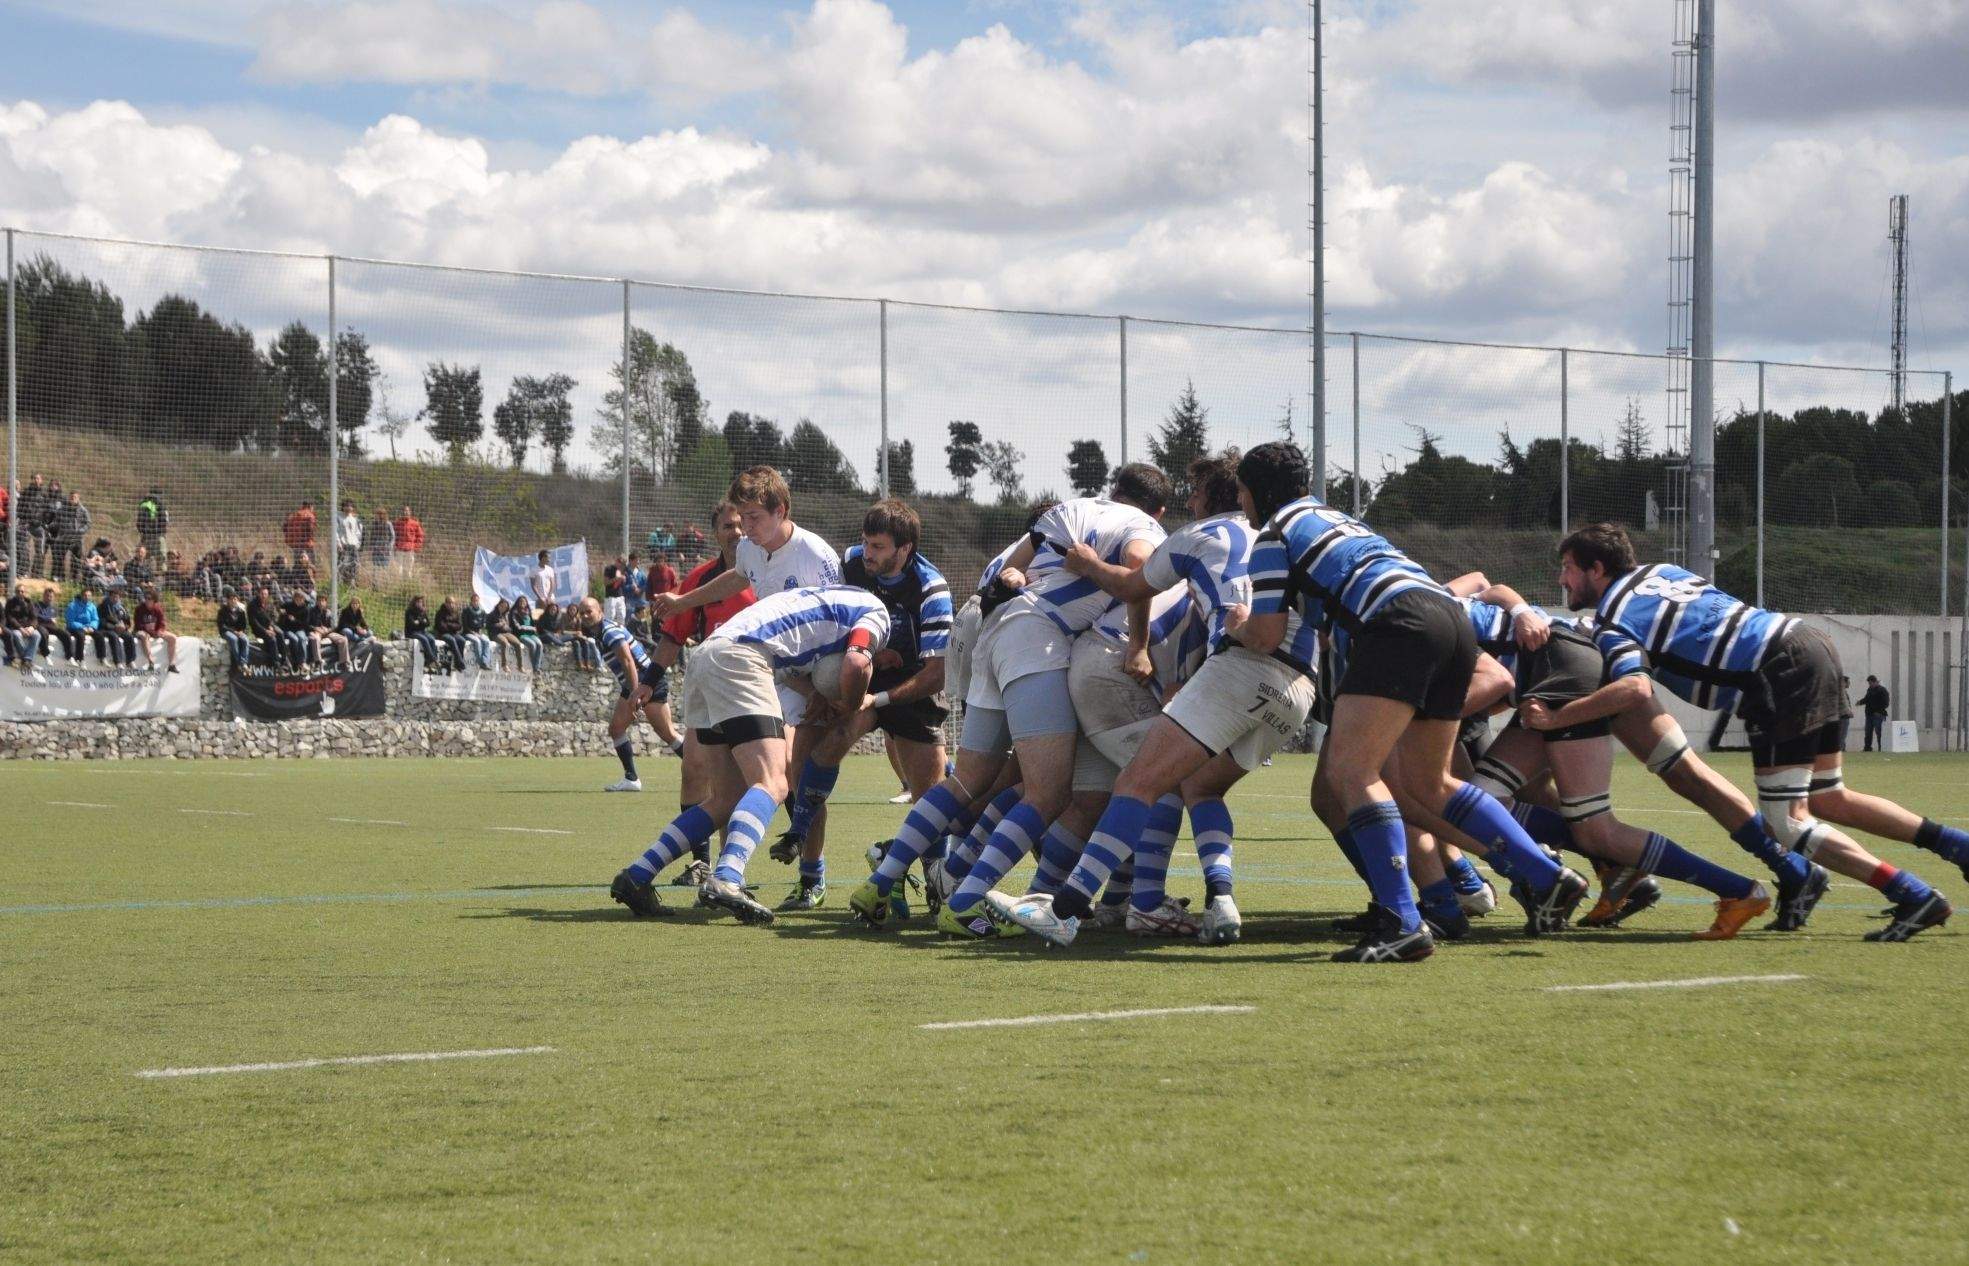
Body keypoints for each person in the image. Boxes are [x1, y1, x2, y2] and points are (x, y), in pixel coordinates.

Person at [1563, 523, 1956, 941]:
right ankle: (1959, 847)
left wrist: (1557, 714)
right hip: (1805, 640)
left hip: (1774, 672)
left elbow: (1635, 686)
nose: (1561, 578)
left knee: (1785, 823)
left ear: (1597, 568)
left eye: (1568, 567)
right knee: (1829, 798)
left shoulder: (1612, 616)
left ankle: (1911, 892)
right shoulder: (1664, 571)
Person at [987, 452, 1289, 948]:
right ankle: (1139, 902)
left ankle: (1096, 900)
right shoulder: (1276, 543)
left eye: (1192, 493)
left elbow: (1133, 582)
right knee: (1165, 784)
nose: (1185, 504)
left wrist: (1089, 565)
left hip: (1100, 663)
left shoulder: (1193, 542)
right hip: (1283, 681)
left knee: (1113, 787)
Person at [609, 584, 891, 924]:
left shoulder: (821, 605)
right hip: (741, 658)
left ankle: (637, 874)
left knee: (725, 799)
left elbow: (790, 669)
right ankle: (727, 878)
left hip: (706, 658)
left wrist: (816, 691)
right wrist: (850, 703)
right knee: (773, 782)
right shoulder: (876, 614)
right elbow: (857, 663)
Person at [776, 499, 953, 911]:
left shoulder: (931, 589)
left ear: (904, 549)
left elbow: (936, 675)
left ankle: (932, 878)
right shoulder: (851, 564)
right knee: (811, 755)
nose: (867, 553)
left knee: (931, 796)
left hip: (912, 686)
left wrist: (882, 697)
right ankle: (805, 859)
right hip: (858, 673)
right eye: (865, 543)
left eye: (878, 546)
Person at [576, 597, 673, 793]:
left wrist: (635, 694)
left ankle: (705, 772)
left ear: (600, 611)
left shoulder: (609, 631)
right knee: (616, 728)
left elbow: (628, 662)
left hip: (645, 681)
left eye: (589, 611)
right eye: (582, 612)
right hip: (636, 682)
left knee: (668, 733)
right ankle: (631, 779)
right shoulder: (599, 632)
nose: (585, 616)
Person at [133, 585, 180, 673]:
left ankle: (172, 664)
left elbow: (162, 623)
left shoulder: (158, 609)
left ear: (154, 600)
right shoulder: (139, 609)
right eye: (145, 598)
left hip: (155, 631)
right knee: (144, 636)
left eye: (149, 598)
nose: (147, 600)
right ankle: (151, 661)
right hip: (142, 630)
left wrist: (159, 631)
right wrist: (148, 630)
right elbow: (138, 624)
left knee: (173, 637)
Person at [63, 586, 105, 663]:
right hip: (74, 628)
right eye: (85, 595)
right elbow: (70, 621)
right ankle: (79, 659)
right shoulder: (72, 606)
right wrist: (82, 627)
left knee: (99, 635)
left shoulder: (92, 606)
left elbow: (95, 619)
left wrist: (92, 627)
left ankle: (102, 657)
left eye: (89, 596)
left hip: (89, 627)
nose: (87, 597)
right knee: (81, 636)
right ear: (82, 596)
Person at [97, 589, 138, 667]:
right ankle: (118, 662)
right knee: (114, 637)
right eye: (113, 597)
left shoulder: (121, 608)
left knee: (129, 637)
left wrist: (125, 627)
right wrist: (114, 626)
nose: (115, 599)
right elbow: (102, 622)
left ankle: (130, 660)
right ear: (109, 597)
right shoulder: (102, 607)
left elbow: (128, 621)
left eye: (117, 597)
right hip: (107, 629)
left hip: (120, 629)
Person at [278, 589, 317, 669]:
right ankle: (295, 661)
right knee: (294, 639)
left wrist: (294, 620)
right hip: (288, 628)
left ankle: (302, 662)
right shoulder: (288, 605)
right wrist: (282, 612)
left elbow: (305, 624)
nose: (299, 601)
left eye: (301, 599)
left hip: (299, 628)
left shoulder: (305, 609)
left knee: (302, 638)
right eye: (297, 599)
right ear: (294, 598)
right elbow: (280, 607)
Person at [4, 585, 42, 667]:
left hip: (28, 627)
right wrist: (20, 628)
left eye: (22, 591)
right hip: (15, 627)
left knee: (37, 635)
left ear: (25, 592)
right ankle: (25, 659)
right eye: (18, 591)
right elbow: (10, 618)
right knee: (16, 635)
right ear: (15, 592)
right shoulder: (10, 602)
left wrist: (32, 627)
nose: (20, 593)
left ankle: (27, 658)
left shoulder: (29, 602)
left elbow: (34, 617)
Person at [310, 593, 350, 667]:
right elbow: (308, 625)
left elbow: (334, 626)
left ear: (326, 602)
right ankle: (318, 661)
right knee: (314, 639)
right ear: (316, 602)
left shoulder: (328, 612)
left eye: (323, 601)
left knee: (343, 639)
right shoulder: (311, 611)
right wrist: (316, 629)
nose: (321, 603)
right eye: (319, 601)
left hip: (327, 632)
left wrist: (327, 630)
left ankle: (344, 662)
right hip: (316, 631)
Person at [248, 586, 283, 669]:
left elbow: (274, 616)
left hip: (269, 627)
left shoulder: (269, 603)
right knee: (272, 639)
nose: (264, 596)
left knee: (281, 633)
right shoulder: (252, 605)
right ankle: (275, 663)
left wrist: (271, 625)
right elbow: (254, 622)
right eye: (262, 594)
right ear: (258, 594)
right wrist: (266, 631)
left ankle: (284, 658)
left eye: (266, 594)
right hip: (259, 630)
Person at [403, 595, 440, 671]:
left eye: (421, 602)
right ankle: (433, 659)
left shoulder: (422, 611)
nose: (420, 603)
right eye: (418, 602)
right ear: (414, 602)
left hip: (422, 631)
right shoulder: (409, 611)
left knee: (431, 638)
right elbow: (412, 624)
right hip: (412, 632)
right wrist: (421, 621)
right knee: (424, 640)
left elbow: (428, 623)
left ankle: (429, 661)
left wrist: (420, 621)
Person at [217, 590, 253, 667]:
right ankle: (238, 662)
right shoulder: (222, 611)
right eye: (231, 599)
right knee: (234, 639)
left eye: (235, 599)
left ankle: (244, 662)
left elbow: (244, 625)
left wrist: (241, 631)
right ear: (228, 600)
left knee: (245, 639)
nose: (233, 601)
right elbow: (222, 625)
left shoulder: (241, 611)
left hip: (238, 631)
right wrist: (234, 631)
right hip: (226, 631)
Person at [461, 593, 494, 669]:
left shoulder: (482, 611)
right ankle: (480, 663)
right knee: (477, 642)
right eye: (474, 601)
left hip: (478, 632)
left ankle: (485, 661)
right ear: (471, 601)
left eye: (477, 601)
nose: (476, 602)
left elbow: (483, 624)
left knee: (486, 640)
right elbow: (465, 625)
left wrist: (480, 631)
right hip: (468, 633)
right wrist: (473, 633)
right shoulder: (466, 610)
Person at [510, 596, 543, 672]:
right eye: (521, 601)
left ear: (526, 603)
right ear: (518, 603)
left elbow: (533, 624)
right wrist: (531, 628)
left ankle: (537, 666)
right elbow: (518, 627)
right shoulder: (514, 613)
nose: (522, 603)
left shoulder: (528, 612)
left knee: (540, 645)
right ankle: (535, 667)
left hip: (531, 634)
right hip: (521, 635)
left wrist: (533, 628)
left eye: (524, 602)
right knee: (532, 645)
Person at [433, 597, 467, 672]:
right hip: (442, 634)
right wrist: (453, 626)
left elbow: (459, 626)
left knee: (462, 640)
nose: (451, 605)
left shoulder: (456, 613)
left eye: (453, 603)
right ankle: (460, 662)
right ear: (446, 604)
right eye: (449, 603)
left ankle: (457, 663)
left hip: (453, 633)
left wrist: (449, 625)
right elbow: (441, 626)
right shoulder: (440, 613)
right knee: (452, 640)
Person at [486, 598, 520, 671]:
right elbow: (488, 627)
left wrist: (507, 627)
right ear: (498, 605)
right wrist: (498, 625)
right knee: (504, 643)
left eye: (505, 607)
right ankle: (504, 665)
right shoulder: (492, 614)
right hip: (495, 633)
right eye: (502, 606)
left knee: (517, 643)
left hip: (505, 633)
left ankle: (520, 666)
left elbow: (509, 628)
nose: (503, 608)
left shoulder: (506, 615)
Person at [136, 488, 169, 558]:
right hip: (158, 536)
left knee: (144, 558)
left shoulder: (144, 504)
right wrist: (162, 531)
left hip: (145, 536)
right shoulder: (161, 504)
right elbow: (165, 521)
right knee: (161, 558)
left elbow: (138, 523)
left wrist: (144, 531)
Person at [1861, 675, 1890, 752]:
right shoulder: (1870, 690)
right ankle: (1867, 748)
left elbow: (1886, 703)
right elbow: (1866, 699)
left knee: (1879, 733)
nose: (1869, 685)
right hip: (1869, 715)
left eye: (1870, 683)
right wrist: (1860, 702)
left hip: (1878, 715)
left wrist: (1878, 711)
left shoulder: (1882, 690)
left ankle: (1881, 748)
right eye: (1869, 683)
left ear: (1875, 682)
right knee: (1868, 732)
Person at [337, 500, 363, 589]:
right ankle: (340, 583)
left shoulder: (355, 519)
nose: (348, 508)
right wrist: (339, 543)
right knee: (342, 565)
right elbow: (336, 532)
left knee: (354, 564)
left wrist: (358, 544)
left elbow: (358, 532)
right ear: (343, 507)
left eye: (350, 506)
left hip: (353, 545)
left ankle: (352, 583)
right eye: (346, 506)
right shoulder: (339, 517)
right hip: (343, 545)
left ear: (352, 508)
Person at [393, 505, 423, 575]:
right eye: (404, 511)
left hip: (410, 549)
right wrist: (395, 545)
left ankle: (408, 584)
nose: (405, 513)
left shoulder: (415, 523)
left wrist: (417, 546)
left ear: (410, 512)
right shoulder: (397, 523)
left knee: (408, 571)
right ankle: (398, 584)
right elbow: (393, 535)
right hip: (399, 549)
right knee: (398, 570)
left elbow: (420, 536)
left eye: (407, 511)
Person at [369, 507, 396, 575]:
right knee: (375, 567)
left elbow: (392, 536)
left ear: (385, 515)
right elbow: (372, 536)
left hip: (386, 548)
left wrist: (390, 546)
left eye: (381, 514)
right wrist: (371, 546)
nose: (380, 516)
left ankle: (385, 582)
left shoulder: (388, 524)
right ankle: (375, 583)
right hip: (376, 549)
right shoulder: (374, 524)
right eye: (378, 514)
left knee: (385, 567)